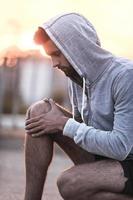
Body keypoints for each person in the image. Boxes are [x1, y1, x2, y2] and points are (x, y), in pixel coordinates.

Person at [24, 13, 133, 200]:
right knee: (39, 112)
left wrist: (64, 124)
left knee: (70, 183)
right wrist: (63, 123)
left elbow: (121, 146)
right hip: (105, 158)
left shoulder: (125, 76)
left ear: (78, 48)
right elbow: (82, 129)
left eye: (56, 54)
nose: (54, 63)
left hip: (128, 159)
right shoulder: (76, 75)